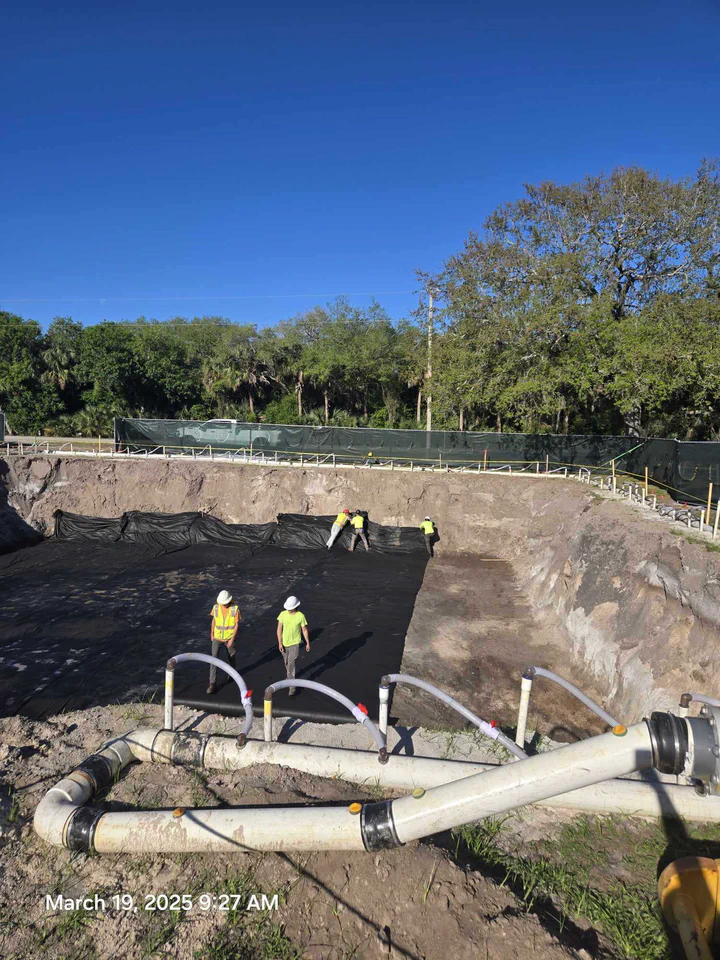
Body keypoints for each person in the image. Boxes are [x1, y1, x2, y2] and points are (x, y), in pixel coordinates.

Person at [207, 589, 241, 695]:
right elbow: (214, 620)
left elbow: (236, 625)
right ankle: (212, 683)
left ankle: (232, 674)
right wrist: (212, 633)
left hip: (228, 638)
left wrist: (231, 640)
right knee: (214, 659)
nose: (224, 605)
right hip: (217, 637)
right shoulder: (216, 607)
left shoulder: (235, 609)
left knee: (231, 656)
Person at [276, 596, 310, 696]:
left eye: (291, 608)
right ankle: (289, 677)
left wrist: (307, 642)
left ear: (296, 607)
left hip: (295, 644)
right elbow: (279, 629)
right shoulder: (282, 614)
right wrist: (279, 643)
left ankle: (292, 687)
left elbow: (304, 630)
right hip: (284, 643)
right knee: (286, 663)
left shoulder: (300, 616)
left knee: (291, 664)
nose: (289, 610)